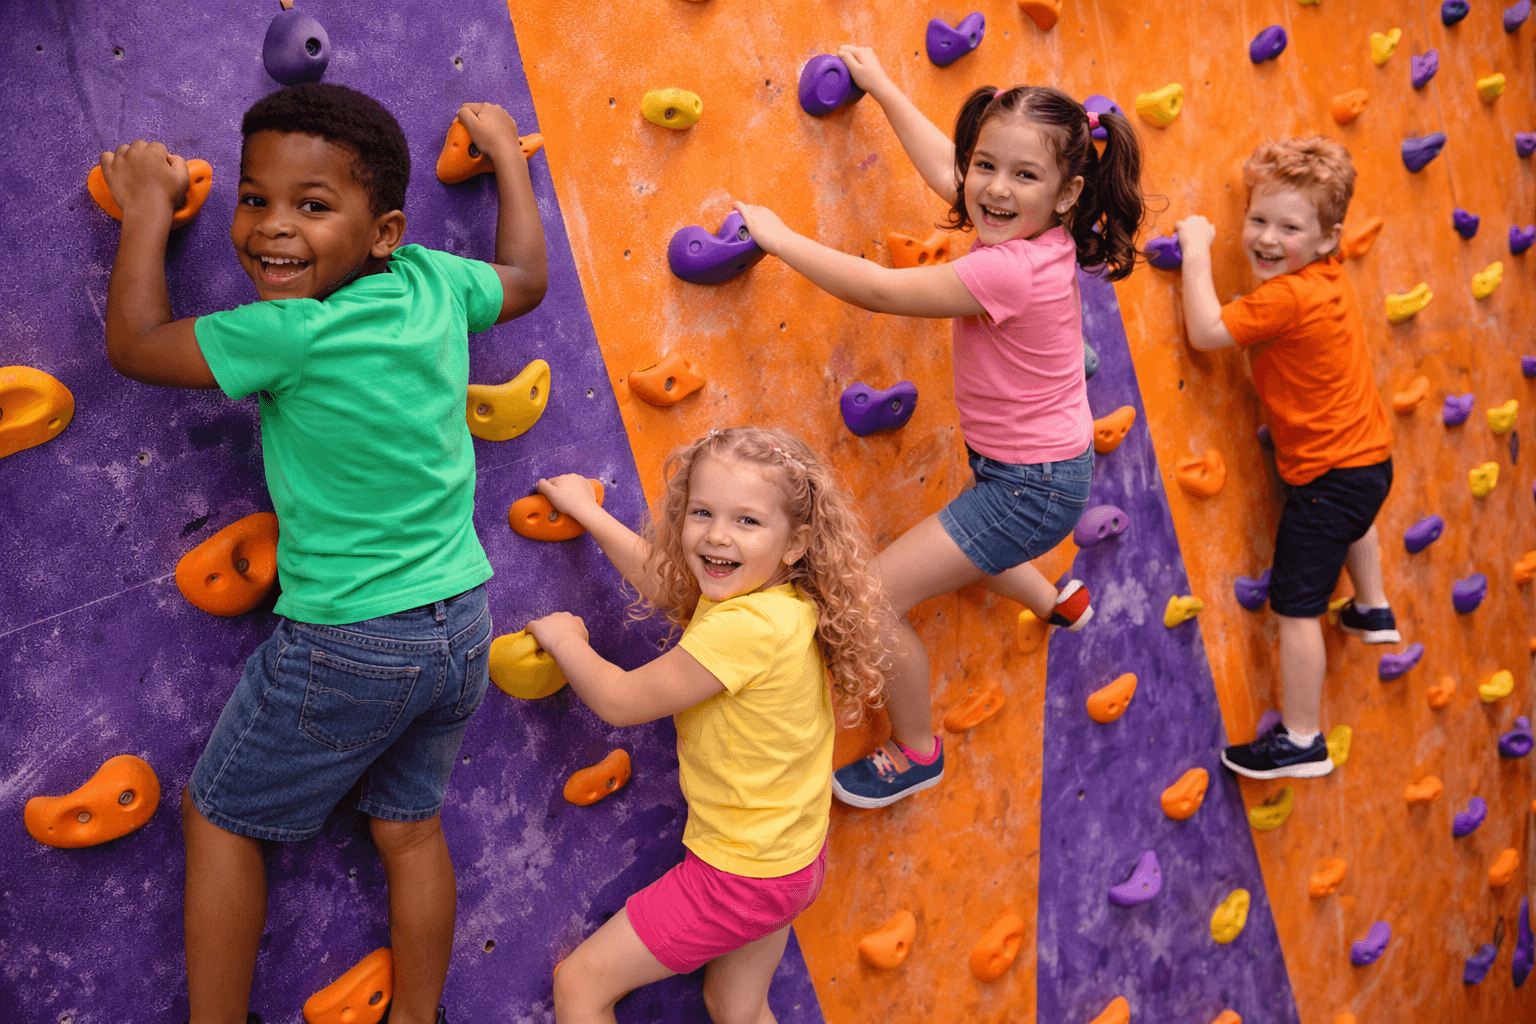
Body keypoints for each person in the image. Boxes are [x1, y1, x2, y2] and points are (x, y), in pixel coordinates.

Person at [97, 83, 547, 1024]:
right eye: (254, 199)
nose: (272, 229)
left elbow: (137, 345)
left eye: (312, 205)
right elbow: (525, 279)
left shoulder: (289, 334)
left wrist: (144, 206)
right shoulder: (431, 282)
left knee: (220, 815)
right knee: (410, 830)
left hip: (351, 642)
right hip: (460, 624)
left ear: (381, 230)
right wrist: (507, 153)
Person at [730, 47, 1148, 808]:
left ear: (1067, 194)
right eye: (987, 164)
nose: (991, 188)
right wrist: (885, 89)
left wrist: (779, 238)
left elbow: (885, 291)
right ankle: (1059, 601)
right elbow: (950, 177)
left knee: (873, 598)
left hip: (1031, 486)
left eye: (1023, 176)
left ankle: (917, 749)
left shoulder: (1007, 269)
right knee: (973, 540)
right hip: (1041, 468)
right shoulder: (1033, 236)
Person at [525, 427, 886, 1024]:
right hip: (792, 861)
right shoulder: (783, 603)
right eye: (702, 512)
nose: (718, 534)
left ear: (794, 543)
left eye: (746, 521)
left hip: (740, 878)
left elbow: (618, 700)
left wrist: (566, 640)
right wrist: (588, 513)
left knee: (582, 986)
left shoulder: (742, 629)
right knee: (735, 1005)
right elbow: (669, 584)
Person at [1175, 136, 1396, 781]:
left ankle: (1303, 739)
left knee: (1296, 608)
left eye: (1289, 227)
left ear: (1329, 239)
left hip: (1328, 478)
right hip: (1368, 462)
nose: (1267, 238)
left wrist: (1196, 252)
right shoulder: (1327, 274)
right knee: (1359, 515)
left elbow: (1208, 332)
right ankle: (1373, 606)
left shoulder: (1285, 298)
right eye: (1259, 219)